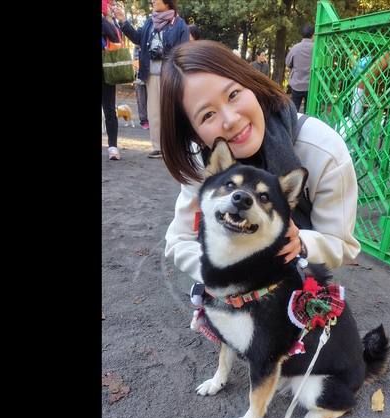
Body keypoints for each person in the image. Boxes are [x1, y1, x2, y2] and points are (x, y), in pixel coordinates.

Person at [159, 40, 360, 283]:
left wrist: (301, 242)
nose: (231, 120)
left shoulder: (322, 149)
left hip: (294, 273)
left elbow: (341, 243)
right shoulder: (205, 159)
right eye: (208, 114)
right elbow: (180, 239)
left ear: (252, 84)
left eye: (233, 94)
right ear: (195, 135)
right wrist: (216, 277)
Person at [115, 0, 189, 158]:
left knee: (171, 111)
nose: (153, 1)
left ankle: (174, 147)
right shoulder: (150, 21)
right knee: (154, 111)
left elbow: (184, 50)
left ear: (167, 2)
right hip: (151, 74)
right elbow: (137, 38)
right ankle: (158, 147)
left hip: (171, 74)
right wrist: (123, 21)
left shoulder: (179, 24)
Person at [102, 0, 122, 160]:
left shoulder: (107, 23)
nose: (111, 7)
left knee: (109, 108)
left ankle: (113, 147)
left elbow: (116, 37)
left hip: (106, 70)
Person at [285, 24, 314, 113]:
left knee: (294, 111)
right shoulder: (316, 48)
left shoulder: (295, 48)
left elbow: (288, 63)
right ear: (313, 35)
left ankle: (293, 121)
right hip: (311, 85)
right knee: (309, 112)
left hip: (297, 84)